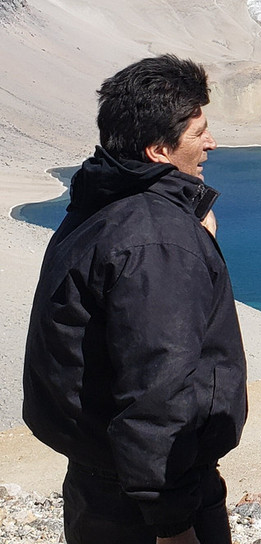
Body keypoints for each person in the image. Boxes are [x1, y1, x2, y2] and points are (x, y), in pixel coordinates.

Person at [23, 54, 248, 544]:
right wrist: (173, 524)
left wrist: (189, 235)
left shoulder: (101, 202)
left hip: (99, 478)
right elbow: (158, 388)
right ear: (157, 151)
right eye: (198, 133)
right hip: (147, 497)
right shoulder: (157, 240)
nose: (211, 142)